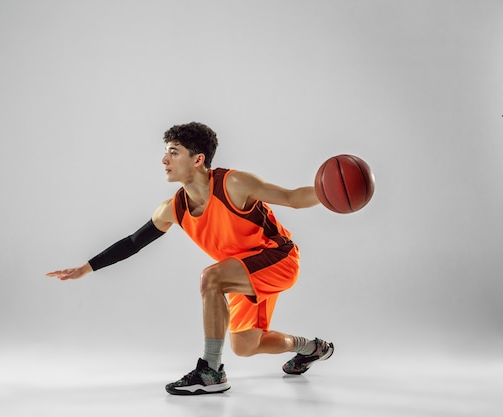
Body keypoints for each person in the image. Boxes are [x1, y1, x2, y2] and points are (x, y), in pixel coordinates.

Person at [46, 122, 334, 395]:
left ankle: (211, 372)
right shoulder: (173, 208)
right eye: (166, 152)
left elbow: (293, 197)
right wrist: (87, 267)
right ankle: (312, 348)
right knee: (246, 346)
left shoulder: (233, 184)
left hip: (278, 258)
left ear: (198, 159)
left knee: (211, 277)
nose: (164, 159)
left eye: (174, 152)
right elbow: (134, 242)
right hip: (241, 270)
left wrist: (330, 192)